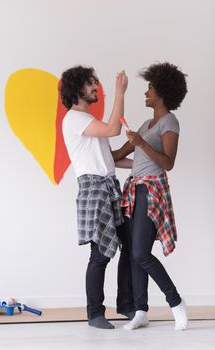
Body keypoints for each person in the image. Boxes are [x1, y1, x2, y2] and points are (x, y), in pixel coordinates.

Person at [112, 62, 188, 331]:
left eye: (150, 88)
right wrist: (90, 148)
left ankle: (176, 303)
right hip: (134, 191)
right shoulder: (146, 124)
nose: (146, 92)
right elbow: (119, 156)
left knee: (142, 253)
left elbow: (168, 163)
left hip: (151, 192)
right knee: (133, 254)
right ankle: (140, 310)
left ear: (163, 92)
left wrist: (140, 143)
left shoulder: (169, 122)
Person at [60, 66, 134, 329]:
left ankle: (126, 304)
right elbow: (114, 129)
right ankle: (95, 313)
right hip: (94, 188)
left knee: (129, 246)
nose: (96, 87)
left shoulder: (90, 122)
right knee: (100, 254)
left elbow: (109, 159)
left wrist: (142, 164)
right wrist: (120, 93)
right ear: (77, 89)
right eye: (91, 83)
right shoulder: (74, 119)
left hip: (108, 184)